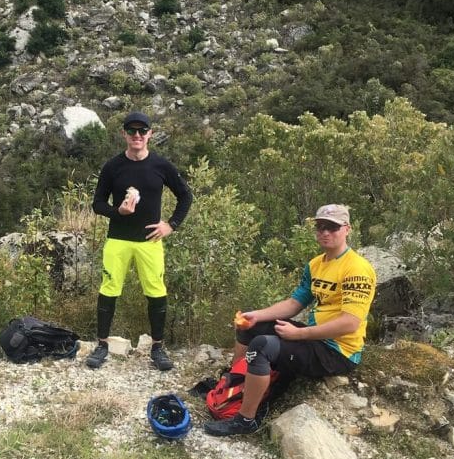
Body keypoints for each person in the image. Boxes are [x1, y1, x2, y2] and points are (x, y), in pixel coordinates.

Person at [204, 204, 376, 436]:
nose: (325, 232)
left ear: (347, 229)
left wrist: (299, 334)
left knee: (262, 346)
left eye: (333, 227)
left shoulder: (357, 269)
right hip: (315, 339)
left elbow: (350, 324)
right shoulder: (316, 264)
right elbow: (295, 303)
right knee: (250, 326)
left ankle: (246, 420)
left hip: (338, 351)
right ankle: (231, 382)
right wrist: (256, 315)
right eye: (320, 226)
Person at [86, 111, 193, 371]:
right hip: (118, 240)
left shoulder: (161, 165)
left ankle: (158, 347)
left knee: (156, 291)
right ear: (124, 134)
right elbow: (97, 204)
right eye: (131, 131)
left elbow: (185, 196)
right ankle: (102, 345)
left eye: (142, 131)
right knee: (109, 288)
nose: (137, 136)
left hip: (150, 241)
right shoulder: (113, 166)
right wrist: (118, 212)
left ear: (150, 134)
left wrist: (171, 225)